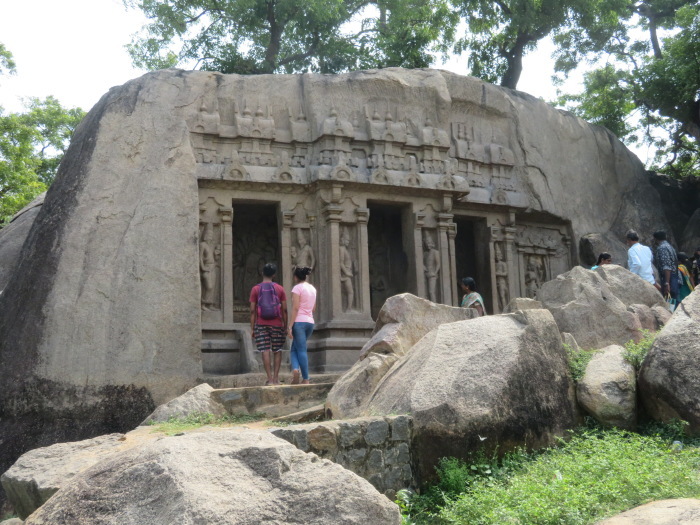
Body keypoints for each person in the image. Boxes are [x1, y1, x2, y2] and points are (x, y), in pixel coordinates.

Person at [249, 263, 287, 386]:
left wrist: (252, 328)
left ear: (262, 273)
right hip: (277, 323)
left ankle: (269, 379)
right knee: (277, 350)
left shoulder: (256, 289)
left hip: (261, 323)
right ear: (274, 274)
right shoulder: (280, 289)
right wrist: (285, 326)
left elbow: (252, 310)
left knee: (265, 350)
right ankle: (276, 379)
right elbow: (284, 309)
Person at [287, 266, 317, 385]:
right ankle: (295, 369)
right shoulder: (313, 289)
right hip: (310, 322)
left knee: (301, 349)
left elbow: (295, 308)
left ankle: (306, 378)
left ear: (295, 277)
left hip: (299, 322)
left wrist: (290, 326)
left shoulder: (297, 288)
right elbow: (313, 308)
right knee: (295, 348)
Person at [652, 230, 679, 300]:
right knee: (673, 299)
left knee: (669, 299)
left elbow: (666, 267)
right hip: (674, 275)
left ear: (655, 239)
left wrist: (667, 283)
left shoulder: (662, 248)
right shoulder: (670, 247)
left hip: (669, 277)